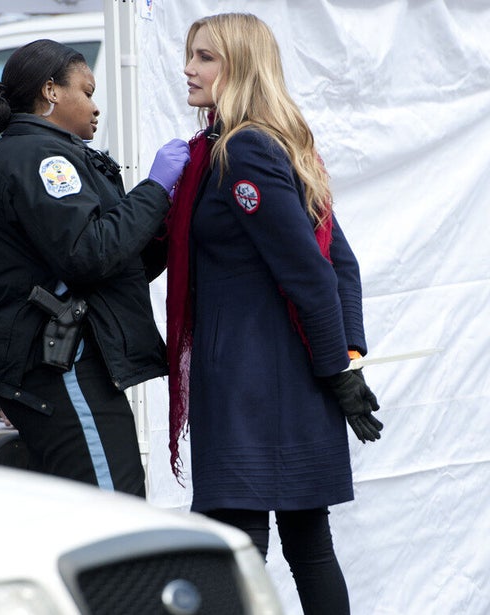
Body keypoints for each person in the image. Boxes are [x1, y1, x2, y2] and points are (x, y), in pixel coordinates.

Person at [166, 13, 383, 614]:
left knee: (240, 549)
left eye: (205, 57)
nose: (188, 68)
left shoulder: (244, 150)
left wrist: (342, 368)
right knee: (301, 544)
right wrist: (343, 360)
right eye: (190, 54)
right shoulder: (244, 146)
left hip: (255, 383)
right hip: (271, 379)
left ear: (238, 67)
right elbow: (337, 261)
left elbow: (318, 267)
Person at [0, 39, 190, 496]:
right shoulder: (40, 157)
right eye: (87, 92)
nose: (95, 107)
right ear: (50, 91)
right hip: (60, 361)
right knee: (115, 510)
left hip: (67, 360)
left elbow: (114, 265)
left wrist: (164, 225)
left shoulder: (50, 151)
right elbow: (89, 253)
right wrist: (153, 191)